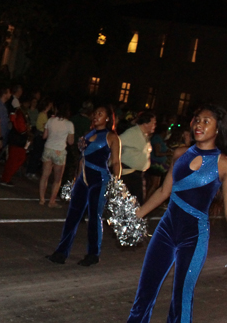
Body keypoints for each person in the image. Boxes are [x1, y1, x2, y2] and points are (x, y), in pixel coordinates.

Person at [105, 104, 227, 323]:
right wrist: (133, 217)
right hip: (166, 229)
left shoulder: (225, 163)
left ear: (218, 129)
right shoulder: (180, 154)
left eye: (207, 121)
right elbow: (164, 192)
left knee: (181, 298)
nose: (199, 124)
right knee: (144, 295)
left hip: (195, 234)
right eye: (197, 119)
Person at [46, 106, 121, 267]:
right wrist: (76, 179)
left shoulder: (112, 137)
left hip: (99, 180)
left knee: (94, 217)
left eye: (100, 114)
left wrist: (116, 184)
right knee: (72, 216)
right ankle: (61, 252)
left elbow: (116, 162)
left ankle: (93, 254)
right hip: (82, 180)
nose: (96, 116)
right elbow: (82, 159)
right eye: (95, 114)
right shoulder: (88, 134)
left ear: (108, 118)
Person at [38, 102, 75, 207]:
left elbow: (44, 136)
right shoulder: (69, 124)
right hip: (59, 151)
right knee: (57, 179)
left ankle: (41, 199)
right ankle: (52, 201)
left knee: (44, 175)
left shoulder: (50, 120)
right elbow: (71, 142)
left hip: (48, 149)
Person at [119, 111, 156, 203]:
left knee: (137, 201)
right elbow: (116, 142)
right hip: (128, 174)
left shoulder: (144, 135)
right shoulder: (132, 133)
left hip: (138, 174)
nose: (155, 126)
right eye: (153, 123)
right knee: (134, 201)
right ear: (146, 123)